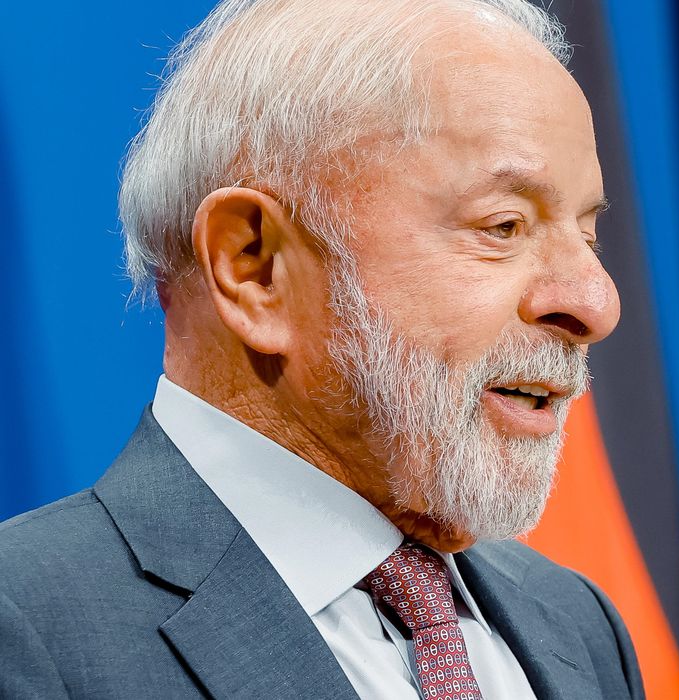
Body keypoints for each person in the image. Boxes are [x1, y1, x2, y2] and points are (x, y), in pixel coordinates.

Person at [0, 0, 644, 698]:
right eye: (504, 225)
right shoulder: (31, 625)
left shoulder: (577, 624)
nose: (595, 303)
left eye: (589, 235)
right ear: (255, 267)